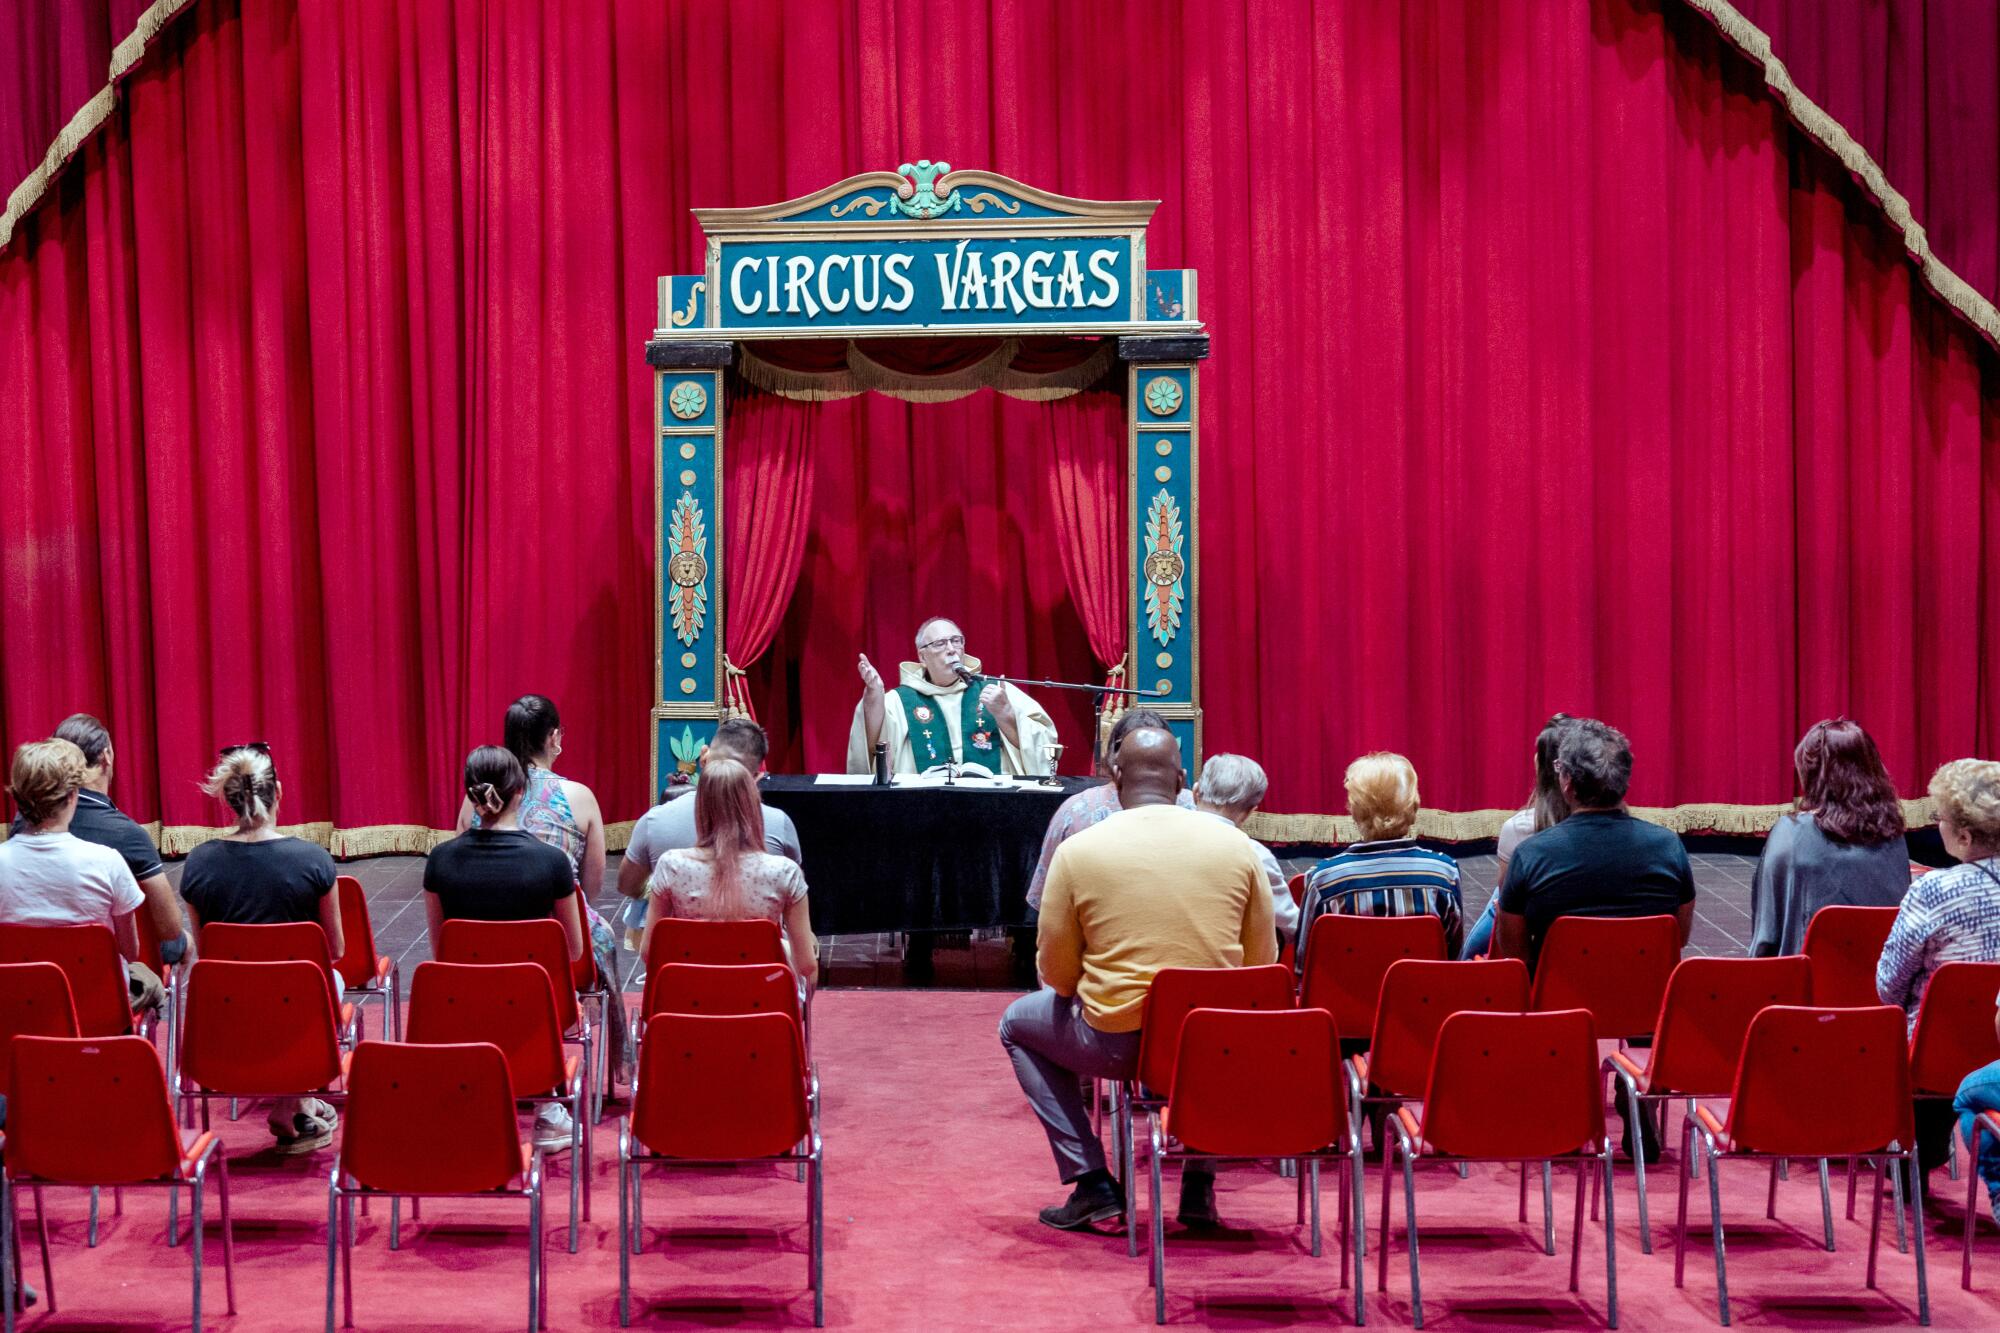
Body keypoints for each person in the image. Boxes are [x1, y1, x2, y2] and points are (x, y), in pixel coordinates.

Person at [999, 727, 1275, 1232]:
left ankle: (1091, 1181)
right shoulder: (1238, 848)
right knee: (1217, 1021)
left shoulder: (1080, 851)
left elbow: (1057, 977)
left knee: (1016, 1025)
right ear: (1183, 779)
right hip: (1212, 1046)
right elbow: (1260, 969)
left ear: (1113, 775)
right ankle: (1198, 1186)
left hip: (1115, 1044)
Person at [1493, 718, 1694, 1161]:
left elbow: (1513, 948)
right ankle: (1641, 1084)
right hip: (1645, 999)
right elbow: (1677, 935)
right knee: (1648, 985)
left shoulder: (1533, 854)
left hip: (1561, 1003)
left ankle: (1565, 1101)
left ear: (1565, 781)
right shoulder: (1668, 846)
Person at [179, 743, 345, 1152]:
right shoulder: (313, 860)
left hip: (229, 1010)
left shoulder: (199, 863)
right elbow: (335, 948)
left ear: (229, 801)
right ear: (279, 794)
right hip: (297, 1008)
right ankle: (290, 1103)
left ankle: (297, 1103)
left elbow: (208, 952)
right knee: (332, 980)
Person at [459, 694, 631, 1084]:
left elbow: (461, 861)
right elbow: (590, 887)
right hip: (557, 944)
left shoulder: (478, 801)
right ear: (554, 737)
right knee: (599, 936)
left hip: (476, 938)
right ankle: (609, 1066)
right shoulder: (579, 797)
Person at [427, 745, 586, 1150]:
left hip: (461, 1007)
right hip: (534, 1007)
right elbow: (572, 951)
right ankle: (548, 1111)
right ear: (521, 792)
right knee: (537, 991)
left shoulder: (440, 861)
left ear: (470, 794)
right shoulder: (551, 862)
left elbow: (441, 949)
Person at [1878, 758, 2000, 1187]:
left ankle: (1913, 1153)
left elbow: (1889, 985)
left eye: (1940, 818)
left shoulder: (1935, 890)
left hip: (1933, 1052)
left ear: (1965, 836)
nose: (1936, 825)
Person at [7, 714, 187, 969]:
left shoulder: (18, 829)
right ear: (107, 757)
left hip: (23, 988)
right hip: (100, 995)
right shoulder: (114, 852)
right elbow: (162, 933)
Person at [616, 718, 801, 949]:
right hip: (759, 971)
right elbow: (793, 897)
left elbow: (628, 886)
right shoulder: (779, 824)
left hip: (681, 966)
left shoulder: (655, 822)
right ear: (756, 778)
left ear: (704, 758)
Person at [639, 759, 818, 987]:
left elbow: (648, 952)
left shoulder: (670, 866)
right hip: (763, 1001)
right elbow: (806, 965)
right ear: (753, 805)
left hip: (690, 1000)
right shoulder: (785, 872)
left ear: (700, 807)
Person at [0, 741, 152, 1010]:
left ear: (17, 797)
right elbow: (130, 952)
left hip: (15, 1009)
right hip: (99, 1012)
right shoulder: (107, 862)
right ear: (73, 796)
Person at [1749, 719, 1911, 956]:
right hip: (1883, 984)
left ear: (1812, 775)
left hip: (1807, 985)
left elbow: (1767, 934)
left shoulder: (1791, 833)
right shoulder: (1894, 836)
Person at [1296, 752, 1463, 977]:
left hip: (1342, 1008)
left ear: (1354, 812)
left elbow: (1305, 966)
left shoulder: (1324, 880)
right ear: (1413, 809)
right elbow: (1451, 958)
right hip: (1422, 1003)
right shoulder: (1445, 873)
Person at [1024, 709, 1193, 914]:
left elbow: (1047, 901)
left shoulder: (1075, 811)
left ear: (1115, 765)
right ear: (1177, 769)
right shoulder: (1197, 811)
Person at [846, 616, 1059, 776]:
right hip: (920, 806)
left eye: (956, 641)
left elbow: (1045, 747)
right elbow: (870, 748)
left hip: (994, 803)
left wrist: (1006, 715)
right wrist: (873, 696)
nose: (951, 649)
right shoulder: (900, 701)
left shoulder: (997, 691)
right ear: (922, 656)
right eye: (940, 643)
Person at [1459, 713, 1575, 959]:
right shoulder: (1616, 837)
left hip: (1529, 939)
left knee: (1500, 897)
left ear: (1539, 765)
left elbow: (1509, 906)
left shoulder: (1519, 828)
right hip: (1587, 943)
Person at [1191, 752, 1299, 946]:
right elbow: (1291, 925)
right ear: (1250, 811)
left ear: (1195, 792)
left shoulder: (1159, 841)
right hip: (1233, 971)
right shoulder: (1256, 855)